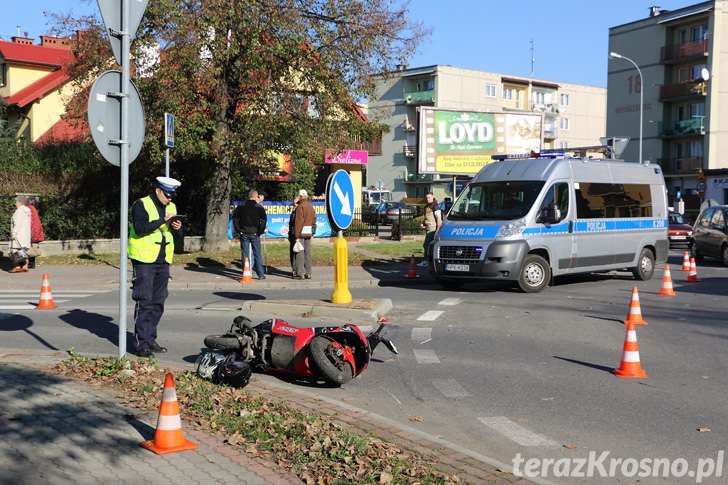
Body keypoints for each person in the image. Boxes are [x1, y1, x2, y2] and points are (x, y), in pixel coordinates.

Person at [128, 176, 183, 358]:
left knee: (158, 302)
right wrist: (162, 220)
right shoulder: (141, 204)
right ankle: (141, 344)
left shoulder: (172, 207)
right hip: (144, 260)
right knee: (144, 301)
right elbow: (140, 227)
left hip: (163, 260)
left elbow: (176, 235)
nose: (170, 199)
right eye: (167, 195)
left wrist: (177, 227)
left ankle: (150, 340)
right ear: (158, 190)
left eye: (172, 196)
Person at [232, 190, 267, 280]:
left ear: (248, 196)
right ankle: (261, 274)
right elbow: (264, 220)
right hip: (255, 233)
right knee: (257, 254)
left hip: (244, 233)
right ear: (255, 197)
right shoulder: (259, 207)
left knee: (245, 254)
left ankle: (246, 272)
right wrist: (260, 231)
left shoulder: (240, 207)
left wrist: (238, 230)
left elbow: (235, 219)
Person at [293, 189, 316, 279]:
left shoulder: (300, 207)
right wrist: (312, 232)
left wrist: (297, 236)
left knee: (300, 252)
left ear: (300, 196)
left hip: (301, 232)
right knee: (308, 253)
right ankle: (308, 272)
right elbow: (314, 220)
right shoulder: (310, 206)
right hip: (308, 232)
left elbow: (298, 222)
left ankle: (300, 273)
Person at [9, 195, 32, 273]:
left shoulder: (19, 211)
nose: (15, 203)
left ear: (19, 202)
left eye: (16, 202)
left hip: (18, 234)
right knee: (24, 251)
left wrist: (14, 233)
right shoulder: (27, 211)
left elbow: (17, 223)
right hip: (25, 235)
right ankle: (25, 266)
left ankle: (17, 266)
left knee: (15, 250)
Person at [420, 192, 442, 267]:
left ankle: (426, 261)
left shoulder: (435, 206)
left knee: (426, 244)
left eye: (429, 197)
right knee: (428, 245)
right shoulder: (427, 206)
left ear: (433, 197)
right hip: (428, 227)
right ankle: (428, 260)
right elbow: (427, 217)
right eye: (426, 197)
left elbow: (439, 219)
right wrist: (423, 223)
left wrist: (438, 229)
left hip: (433, 229)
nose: (427, 199)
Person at [27, 201, 45, 269]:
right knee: (32, 247)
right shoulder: (32, 208)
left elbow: (31, 222)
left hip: (32, 231)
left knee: (29, 247)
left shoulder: (28, 209)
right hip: (35, 231)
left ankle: (29, 264)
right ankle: (31, 264)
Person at [288, 194, 300, 277]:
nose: (295, 204)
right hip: (292, 235)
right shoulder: (293, 213)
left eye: (297, 203)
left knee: (298, 254)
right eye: (294, 203)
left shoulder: (301, 212)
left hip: (299, 235)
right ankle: (294, 270)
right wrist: (289, 234)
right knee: (292, 253)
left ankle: (298, 271)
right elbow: (290, 225)